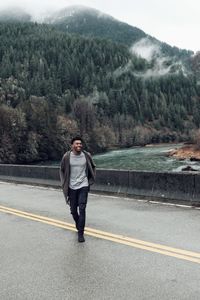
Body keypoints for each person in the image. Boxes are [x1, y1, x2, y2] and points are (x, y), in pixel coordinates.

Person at [60, 136, 96, 242]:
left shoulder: (86, 155)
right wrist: (63, 182)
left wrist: (90, 180)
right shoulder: (67, 157)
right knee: (73, 211)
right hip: (71, 187)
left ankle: (81, 233)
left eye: (80, 143)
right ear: (72, 145)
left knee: (82, 209)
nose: (79, 145)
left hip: (83, 185)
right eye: (77, 143)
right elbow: (61, 170)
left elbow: (93, 166)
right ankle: (78, 224)